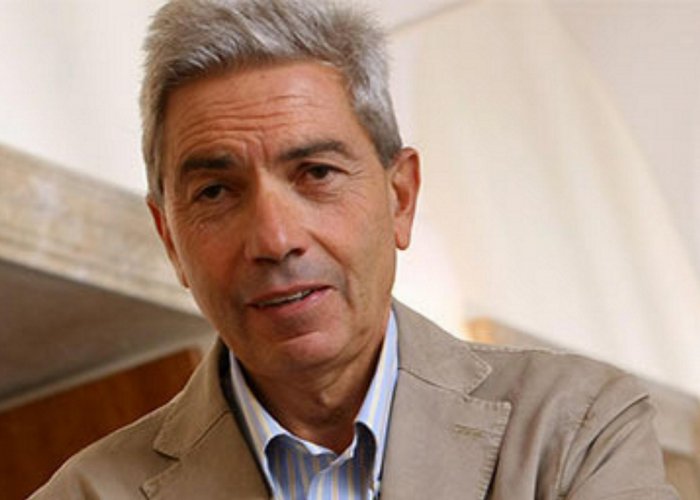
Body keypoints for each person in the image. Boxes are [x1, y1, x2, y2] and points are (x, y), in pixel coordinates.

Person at [32, 0, 677, 498]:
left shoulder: (575, 427)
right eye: (216, 192)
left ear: (400, 197)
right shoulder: (87, 493)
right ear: (171, 239)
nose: (275, 239)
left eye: (316, 173)